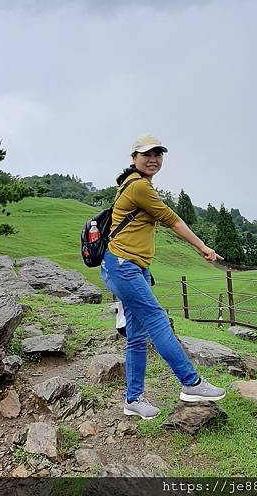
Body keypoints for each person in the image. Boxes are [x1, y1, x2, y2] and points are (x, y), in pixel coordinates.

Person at [100, 135, 226, 420]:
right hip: (124, 266)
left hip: (130, 266)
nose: (153, 159)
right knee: (156, 321)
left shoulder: (133, 183)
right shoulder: (140, 187)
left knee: (135, 336)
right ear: (134, 157)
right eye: (147, 154)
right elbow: (173, 219)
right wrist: (203, 247)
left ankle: (133, 400)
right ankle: (191, 383)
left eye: (158, 154)